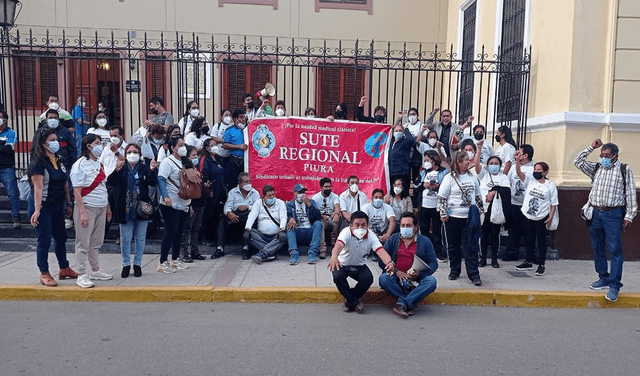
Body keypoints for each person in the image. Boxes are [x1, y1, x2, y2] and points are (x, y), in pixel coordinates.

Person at [574, 139, 636, 302]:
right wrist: (591, 148)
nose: (604, 158)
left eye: (607, 155)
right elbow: (578, 161)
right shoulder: (596, 168)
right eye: (602, 155)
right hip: (595, 213)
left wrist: (629, 216)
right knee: (597, 246)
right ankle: (603, 277)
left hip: (613, 214)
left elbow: (630, 193)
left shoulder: (624, 169)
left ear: (615, 156)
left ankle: (614, 285)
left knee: (615, 249)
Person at [28, 128, 78, 286]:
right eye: (52, 140)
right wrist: (37, 210)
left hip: (58, 205)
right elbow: (38, 187)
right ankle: (44, 272)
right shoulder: (38, 163)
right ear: (44, 144)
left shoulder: (59, 159)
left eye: (56, 139)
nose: (56, 142)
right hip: (44, 206)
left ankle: (64, 267)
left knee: (61, 237)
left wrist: (68, 203)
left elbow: (64, 182)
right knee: (44, 240)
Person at [328, 211, 395, 313]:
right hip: (342, 264)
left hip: (359, 266)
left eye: (363, 225)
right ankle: (355, 302)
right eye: (357, 225)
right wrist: (334, 256)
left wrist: (389, 262)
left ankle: (349, 300)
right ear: (351, 226)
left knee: (368, 279)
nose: (360, 228)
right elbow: (338, 245)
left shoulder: (371, 235)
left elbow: (381, 251)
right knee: (338, 276)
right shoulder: (346, 232)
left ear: (367, 226)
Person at [70, 134, 114, 288]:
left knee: (96, 241)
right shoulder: (80, 165)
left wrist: (107, 207)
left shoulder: (99, 164)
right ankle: (81, 273)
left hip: (101, 206)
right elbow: (77, 191)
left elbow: (102, 186)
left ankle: (95, 270)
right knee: (83, 242)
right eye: (96, 143)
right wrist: (82, 212)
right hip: (87, 206)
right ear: (88, 146)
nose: (99, 146)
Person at [108, 143, 158, 278]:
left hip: (141, 208)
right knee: (125, 238)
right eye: (129, 152)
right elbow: (111, 182)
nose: (132, 154)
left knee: (140, 238)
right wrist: (116, 170)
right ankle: (125, 264)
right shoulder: (122, 168)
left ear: (140, 154)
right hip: (124, 208)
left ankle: (137, 264)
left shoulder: (143, 168)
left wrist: (153, 170)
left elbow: (152, 183)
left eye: (135, 152)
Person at [437, 150, 484, 286]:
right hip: (453, 218)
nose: (469, 163)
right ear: (459, 162)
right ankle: (454, 270)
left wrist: (481, 213)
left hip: (469, 218)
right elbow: (442, 197)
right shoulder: (449, 178)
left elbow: (478, 196)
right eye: (466, 160)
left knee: (470, 246)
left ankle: (474, 274)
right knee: (453, 246)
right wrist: (443, 214)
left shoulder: (472, 177)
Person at [379, 212, 438, 318]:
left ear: (415, 227)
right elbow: (381, 260)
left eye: (408, 226)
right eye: (403, 225)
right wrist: (396, 272)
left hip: (416, 278)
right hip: (396, 277)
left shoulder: (425, 241)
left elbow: (433, 264)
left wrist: (419, 274)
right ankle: (410, 301)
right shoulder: (393, 239)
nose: (405, 228)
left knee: (431, 281)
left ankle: (403, 302)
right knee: (383, 279)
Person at [514, 157, 558, 277]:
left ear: (545, 172)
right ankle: (528, 261)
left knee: (541, 241)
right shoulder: (530, 180)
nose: (536, 171)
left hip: (542, 216)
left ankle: (541, 265)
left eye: (539, 169)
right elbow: (519, 173)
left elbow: (554, 203)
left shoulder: (550, 185)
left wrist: (550, 217)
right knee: (529, 239)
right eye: (535, 169)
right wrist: (517, 161)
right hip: (527, 215)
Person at [157, 136, 194, 273]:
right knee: (170, 232)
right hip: (171, 203)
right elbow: (161, 179)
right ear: (172, 148)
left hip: (184, 203)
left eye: (184, 144)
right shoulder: (168, 162)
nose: (183, 147)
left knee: (180, 232)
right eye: (180, 145)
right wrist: (165, 196)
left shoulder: (186, 162)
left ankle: (175, 259)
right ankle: (163, 261)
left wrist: (190, 204)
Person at [474, 149, 511, 269]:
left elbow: (506, 190)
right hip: (484, 209)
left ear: (500, 166)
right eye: (491, 163)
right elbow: (477, 166)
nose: (493, 166)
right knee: (483, 235)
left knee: (495, 235)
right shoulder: (484, 174)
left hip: (496, 210)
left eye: (496, 164)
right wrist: (478, 150)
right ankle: (483, 258)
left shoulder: (503, 177)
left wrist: (494, 191)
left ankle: (494, 259)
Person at [415, 150, 449, 261]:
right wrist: (423, 185)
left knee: (436, 229)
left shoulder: (444, 172)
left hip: (437, 205)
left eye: (427, 160)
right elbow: (415, 185)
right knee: (424, 229)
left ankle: (438, 252)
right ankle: (424, 252)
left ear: (434, 160)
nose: (426, 162)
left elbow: (448, 186)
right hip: (424, 205)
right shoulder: (423, 172)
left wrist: (438, 187)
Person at [504, 144, 535, 261]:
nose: (516, 153)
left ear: (525, 155)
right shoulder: (513, 167)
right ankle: (512, 253)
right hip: (514, 203)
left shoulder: (533, 169)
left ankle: (531, 255)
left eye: (519, 153)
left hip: (526, 205)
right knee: (513, 230)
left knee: (529, 231)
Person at [219, 172, 260, 259]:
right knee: (223, 218)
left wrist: (247, 207)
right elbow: (227, 207)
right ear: (240, 183)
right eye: (246, 182)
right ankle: (220, 248)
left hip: (247, 215)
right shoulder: (232, 192)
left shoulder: (255, 193)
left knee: (252, 216)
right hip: (235, 215)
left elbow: (258, 208)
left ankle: (246, 248)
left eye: (249, 181)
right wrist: (229, 213)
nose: (248, 184)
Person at [179, 146, 208, 263]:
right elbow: (185, 189)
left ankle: (194, 251)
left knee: (196, 228)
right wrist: (189, 204)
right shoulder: (185, 170)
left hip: (201, 202)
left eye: (197, 155)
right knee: (187, 229)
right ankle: (184, 253)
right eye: (193, 155)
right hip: (192, 203)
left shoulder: (196, 169)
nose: (196, 157)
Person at [245, 184, 288, 264]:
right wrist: (247, 229)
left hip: (275, 236)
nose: (271, 197)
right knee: (250, 234)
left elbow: (283, 217)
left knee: (283, 237)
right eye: (269, 196)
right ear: (263, 196)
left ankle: (262, 254)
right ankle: (271, 252)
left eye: (273, 195)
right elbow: (252, 216)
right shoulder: (258, 203)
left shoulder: (280, 203)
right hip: (261, 236)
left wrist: (282, 229)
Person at [200, 138, 226, 259]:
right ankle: (206, 237)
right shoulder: (205, 159)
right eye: (212, 145)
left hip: (219, 192)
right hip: (210, 192)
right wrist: (208, 190)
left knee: (217, 214)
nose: (215, 146)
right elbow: (203, 175)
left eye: (216, 144)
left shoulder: (219, 159)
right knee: (208, 214)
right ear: (207, 148)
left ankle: (216, 238)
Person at [286, 183, 323, 265]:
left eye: (303, 192)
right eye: (299, 192)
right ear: (294, 193)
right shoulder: (289, 204)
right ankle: (294, 254)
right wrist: (290, 218)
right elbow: (286, 215)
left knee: (318, 224)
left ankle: (312, 253)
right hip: (297, 231)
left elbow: (318, 216)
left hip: (308, 231)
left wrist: (308, 203)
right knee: (289, 226)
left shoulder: (311, 202)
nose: (302, 194)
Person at [32, 109, 77, 173]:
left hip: (64, 164)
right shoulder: (40, 132)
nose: (53, 120)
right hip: (44, 164)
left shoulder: (66, 132)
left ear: (58, 119)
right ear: (46, 120)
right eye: (50, 118)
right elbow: (34, 149)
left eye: (55, 118)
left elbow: (72, 150)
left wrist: (73, 165)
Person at [0, 111, 21, 228]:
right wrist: (2, 146)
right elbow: (5, 148)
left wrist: (4, 147)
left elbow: (9, 148)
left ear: (5, 120)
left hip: (7, 168)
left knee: (13, 193)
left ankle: (16, 216)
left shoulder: (11, 132)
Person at [311, 177, 341, 259]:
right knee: (319, 224)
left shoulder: (334, 196)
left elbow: (337, 206)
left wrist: (336, 214)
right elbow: (314, 212)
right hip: (321, 219)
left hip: (331, 217)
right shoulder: (315, 197)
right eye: (326, 187)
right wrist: (321, 216)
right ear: (321, 188)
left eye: (329, 187)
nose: (328, 188)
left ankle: (333, 240)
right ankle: (322, 250)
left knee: (338, 217)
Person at [222, 109, 248, 191]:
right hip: (234, 160)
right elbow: (224, 145)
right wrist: (239, 146)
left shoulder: (249, 129)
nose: (243, 119)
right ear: (235, 119)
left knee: (246, 183)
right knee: (232, 184)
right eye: (241, 117)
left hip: (246, 161)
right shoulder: (229, 130)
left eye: (244, 117)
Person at [387, 124, 417, 192]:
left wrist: (406, 130)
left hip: (403, 172)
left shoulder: (405, 141)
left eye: (400, 130)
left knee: (404, 192)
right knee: (392, 192)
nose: (398, 132)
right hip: (391, 172)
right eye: (396, 130)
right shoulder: (390, 142)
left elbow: (412, 141)